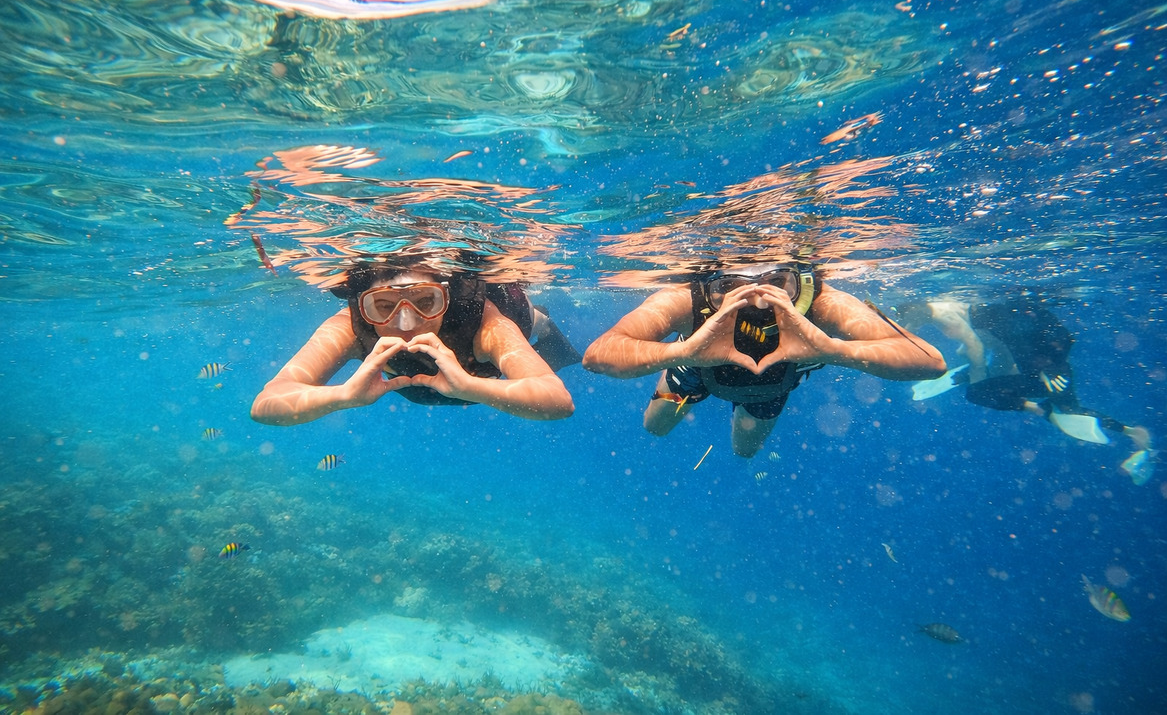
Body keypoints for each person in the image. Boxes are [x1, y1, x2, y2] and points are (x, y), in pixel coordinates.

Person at [581, 263, 947, 457]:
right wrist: (682, 352)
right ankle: (685, 384)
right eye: (730, 287)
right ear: (711, 283)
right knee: (655, 427)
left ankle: (738, 407)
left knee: (744, 452)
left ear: (798, 281)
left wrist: (835, 350)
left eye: (777, 283)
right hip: (694, 371)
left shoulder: (821, 302)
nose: (757, 300)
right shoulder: (685, 299)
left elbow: (930, 361)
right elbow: (599, 354)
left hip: (772, 386)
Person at [251, 264, 579, 424]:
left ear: (446, 300)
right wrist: (343, 396)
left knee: (532, 320)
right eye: (383, 306)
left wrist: (471, 387)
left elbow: (557, 399)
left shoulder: (485, 324)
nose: (406, 322)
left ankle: (544, 319)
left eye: (425, 301)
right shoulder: (350, 328)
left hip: (509, 322)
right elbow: (267, 403)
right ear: (364, 306)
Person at [902, 298, 1155, 482]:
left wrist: (978, 380)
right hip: (1050, 363)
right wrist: (1047, 363)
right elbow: (1003, 339)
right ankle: (1130, 431)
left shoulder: (950, 318)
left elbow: (977, 350)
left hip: (1043, 367)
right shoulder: (964, 306)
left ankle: (1039, 410)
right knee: (1068, 407)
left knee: (978, 392)